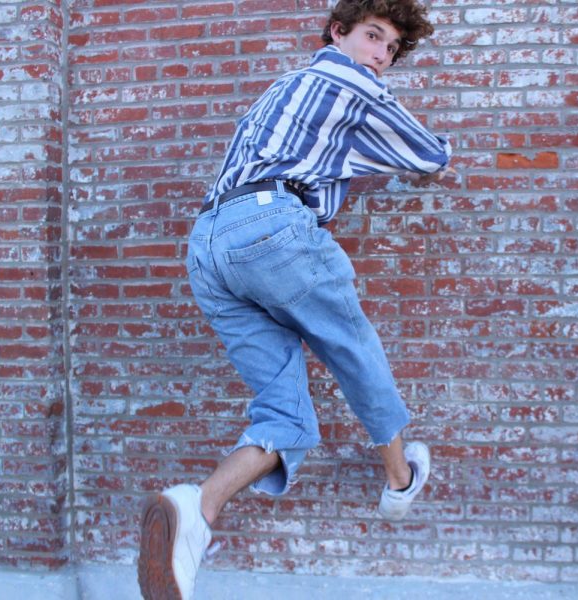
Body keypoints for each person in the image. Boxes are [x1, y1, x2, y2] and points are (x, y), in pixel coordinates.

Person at [138, 0, 451, 597]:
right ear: (339, 33)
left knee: (285, 416)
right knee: (353, 347)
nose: (380, 55)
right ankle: (400, 475)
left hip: (209, 248)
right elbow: (429, 155)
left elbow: (331, 156)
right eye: (373, 36)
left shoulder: (281, 95)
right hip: (272, 229)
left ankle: (193, 514)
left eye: (390, 49)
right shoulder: (346, 76)